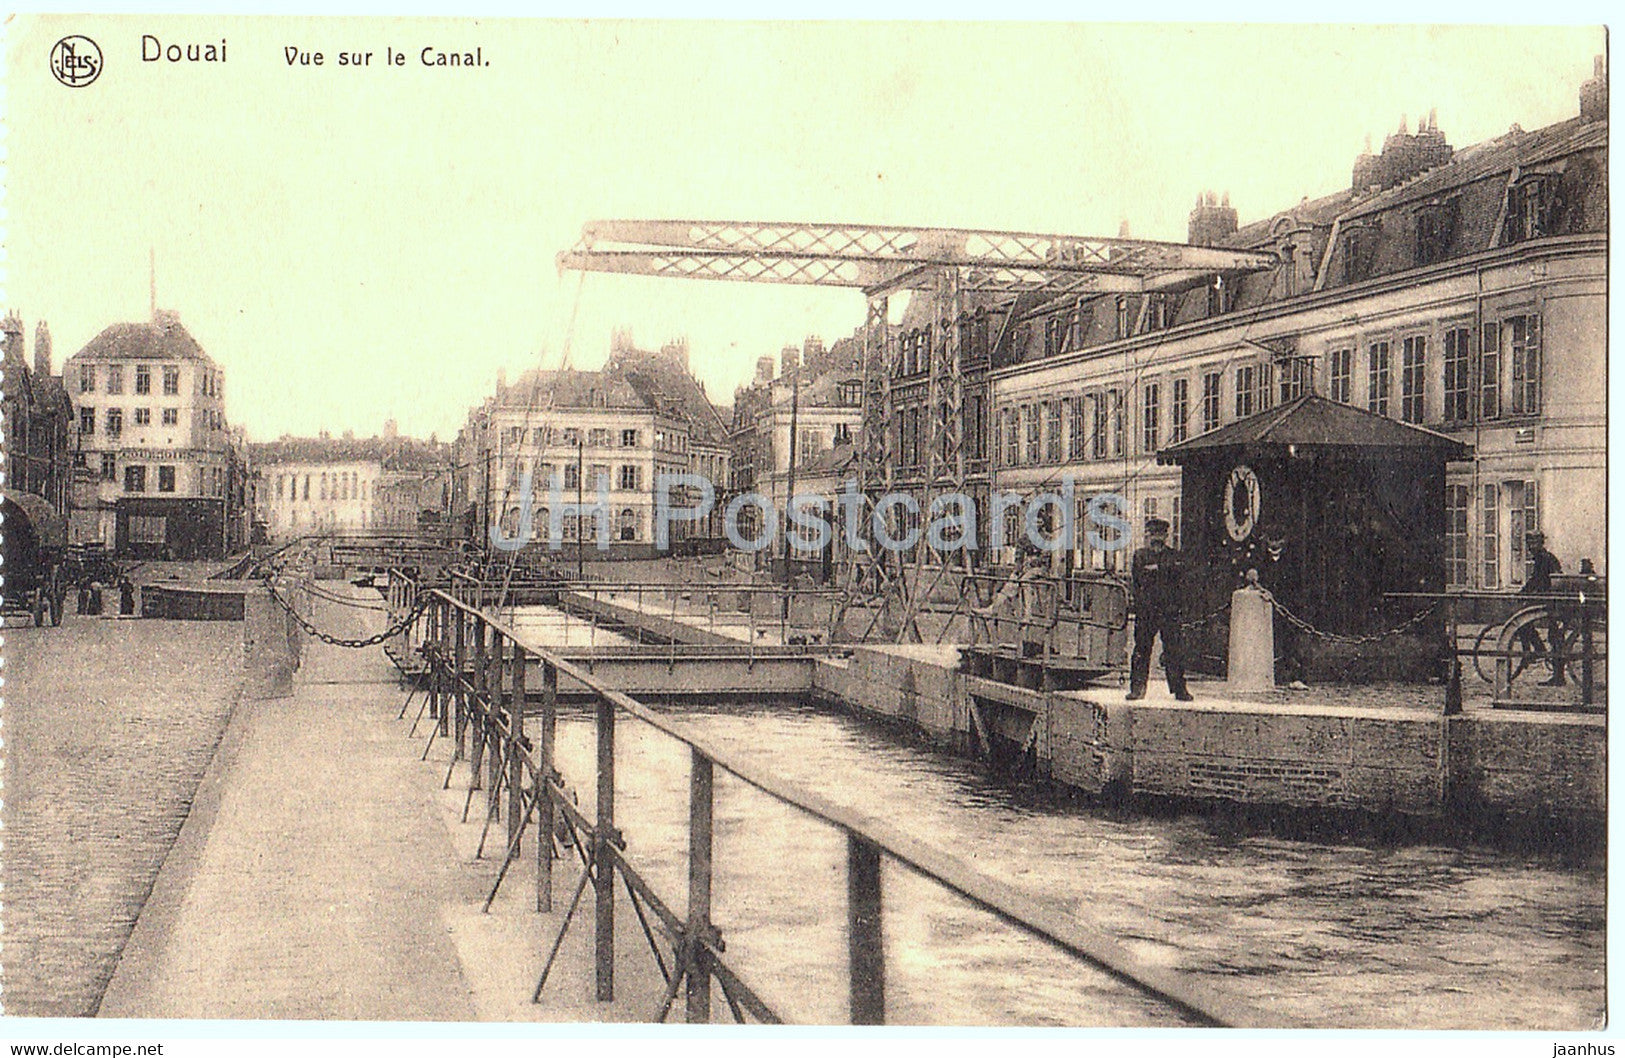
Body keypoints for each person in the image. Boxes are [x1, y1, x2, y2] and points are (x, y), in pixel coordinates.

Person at [1128, 517, 1192, 701]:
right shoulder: (1140, 556)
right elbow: (1138, 579)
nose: (1157, 538)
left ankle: (1179, 689)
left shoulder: (1174, 556)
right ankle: (1137, 689)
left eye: (1160, 534)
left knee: (1174, 651)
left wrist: (1157, 568)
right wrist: (1165, 570)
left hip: (1169, 611)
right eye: (1153, 534)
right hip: (1147, 611)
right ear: (1148, 535)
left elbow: (1180, 574)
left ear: (1166, 536)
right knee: (1141, 650)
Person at [1515, 530, 1566, 686]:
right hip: (1549, 599)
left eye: (1534, 543)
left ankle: (1536, 652)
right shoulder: (1543, 558)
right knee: (1553, 635)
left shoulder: (1544, 559)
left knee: (1553, 635)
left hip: (1552, 601)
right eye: (1529, 543)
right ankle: (1537, 651)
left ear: (1541, 543)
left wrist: (1523, 593)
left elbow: (1537, 580)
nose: (1531, 547)